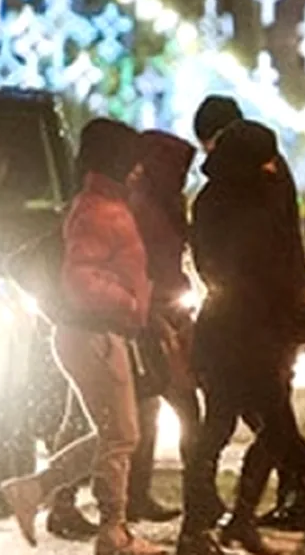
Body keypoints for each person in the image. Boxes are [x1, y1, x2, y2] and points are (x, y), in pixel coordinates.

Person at [0, 119, 163, 555]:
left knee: (117, 433)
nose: (137, 171)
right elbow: (81, 280)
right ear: (116, 161)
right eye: (130, 161)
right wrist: (130, 303)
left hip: (90, 334)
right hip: (94, 335)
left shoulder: (96, 203)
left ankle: (37, 489)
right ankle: (113, 532)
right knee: (120, 436)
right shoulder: (100, 210)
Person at [176, 121, 305, 555]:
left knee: (219, 425)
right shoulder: (264, 199)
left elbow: (207, 263)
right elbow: (286, 261)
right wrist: (302, 315)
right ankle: (241, 516)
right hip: (259, 330)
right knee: (273, 423)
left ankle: (200, 527)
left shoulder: (208, 200)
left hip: (221, 324)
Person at [125, 130, 201, 523]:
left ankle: (140, 496)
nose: (183, 176)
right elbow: (141, 263)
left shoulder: (165, 203)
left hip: (165, 313)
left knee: (149, 411)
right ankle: (195, 501)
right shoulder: (142, 206)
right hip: (151, 318)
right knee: (177, 410)